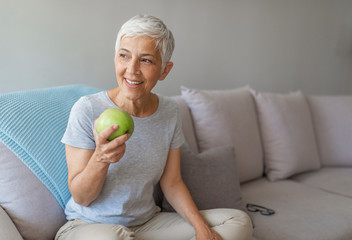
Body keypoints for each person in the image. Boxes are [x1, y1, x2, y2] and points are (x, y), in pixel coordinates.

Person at [55, 14, 253, 240]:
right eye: (124, 56)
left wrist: (202, 229)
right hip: (89, 226)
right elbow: (81, 198)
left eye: (146, 60)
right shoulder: (88, 109)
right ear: (115, 58)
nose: (132, 70)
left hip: (146, 225)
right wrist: (100, 158)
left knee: (237, 221)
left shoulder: (170, 111)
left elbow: (172, 182)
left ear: (164, 70)